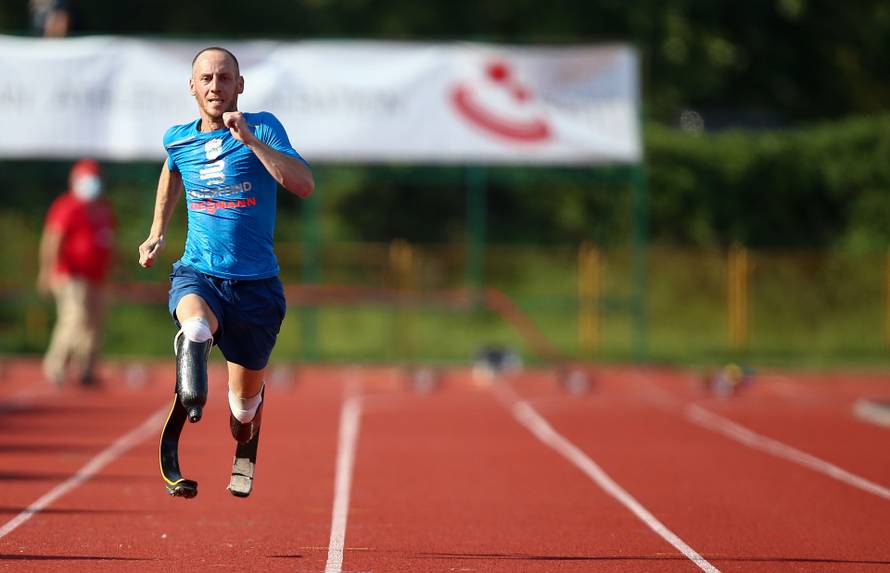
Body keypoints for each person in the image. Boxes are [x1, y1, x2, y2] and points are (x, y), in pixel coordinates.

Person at [138, 47, 314, 499]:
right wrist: (157, 230)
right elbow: (171, 171)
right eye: (206, 78)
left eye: (224, 77)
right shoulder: (178, 138)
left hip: (256, 290)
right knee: (195, 326)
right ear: (193, 86)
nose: (215, 86)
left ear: (240, 85)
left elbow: (303, 185)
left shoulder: (264, 126)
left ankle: (246, 414)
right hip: (200, 273)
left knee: (242, 413)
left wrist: (252, 141)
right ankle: (192, 388)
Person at [37, 159, 116, 388]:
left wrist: (117, 271)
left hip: (97, 275)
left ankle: (87, 368)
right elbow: (53, 239)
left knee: (95, 323)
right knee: (75, 318)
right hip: (70, 274)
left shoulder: (103, 208)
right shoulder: (66, 206)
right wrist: (47, 270)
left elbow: (109, 242)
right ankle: (56, 365)